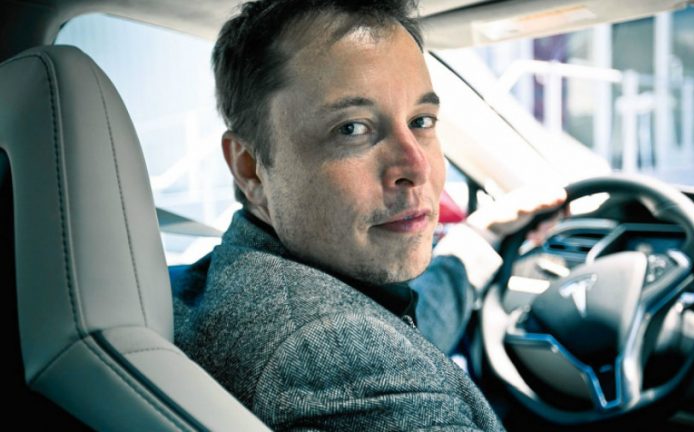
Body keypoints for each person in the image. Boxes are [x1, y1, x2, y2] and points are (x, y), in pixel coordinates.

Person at [173, 0, 565, 430]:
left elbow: (407, 325)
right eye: (352, 128)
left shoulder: (216, 284)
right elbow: (363, 346)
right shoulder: (341, 359)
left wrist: (480, 238)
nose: (417, 167)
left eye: (422, 121)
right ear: (250, 168)